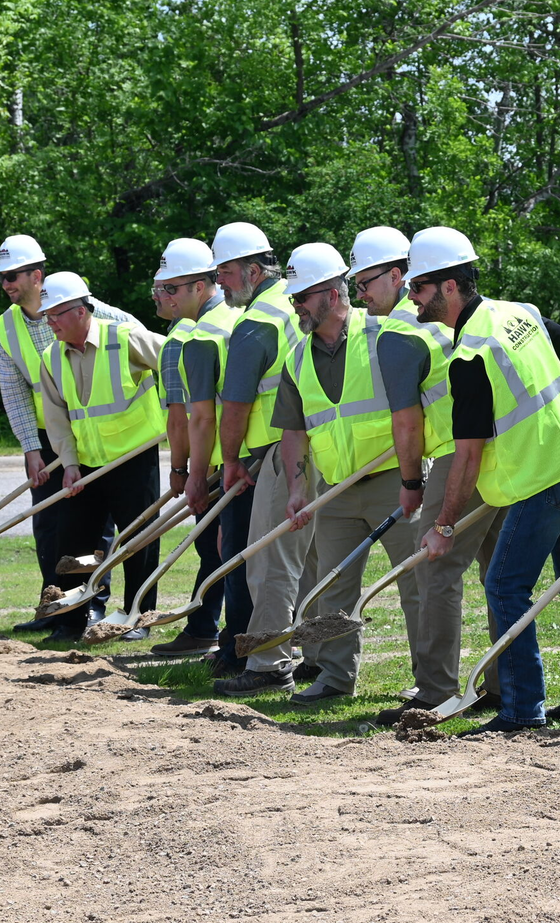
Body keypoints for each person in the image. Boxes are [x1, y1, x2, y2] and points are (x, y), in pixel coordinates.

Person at [411, 226, 560, 731]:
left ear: (450, 287)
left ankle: (523, 709)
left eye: (419, 287)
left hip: (543, 477)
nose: (412, 298)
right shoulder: (517, 311)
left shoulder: (470, 355)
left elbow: (468, 458)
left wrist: (443, 525)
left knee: (504, 585)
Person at [354, 226, 507, 720]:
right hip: (501, 454)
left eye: (366, 282)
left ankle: (434, 690)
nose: (360, 293)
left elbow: (406, 418)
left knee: (437, 568)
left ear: (400, 276)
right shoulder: (464, 311)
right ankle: (506, 684)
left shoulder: (399, 332)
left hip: (456, 457)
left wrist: (411, 483)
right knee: (499, 574)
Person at [270, 243, 433, 704]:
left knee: (416, 587)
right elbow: (295, 432)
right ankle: (336, 677)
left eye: (302, 296)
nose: (295, 305)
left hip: (397, 483)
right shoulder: (297, 358)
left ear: (330, 293)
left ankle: (430, 681)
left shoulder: (385, 336)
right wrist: (299, 488)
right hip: (336, 491)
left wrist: (411, 480)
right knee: (335, 589)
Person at [0, 234, 135, 633]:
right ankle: (55, 604)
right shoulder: (5, 328)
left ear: (37, 275)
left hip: (93, 433)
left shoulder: (94, 311)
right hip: (45, 437)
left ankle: (93, 603)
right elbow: (14, 391)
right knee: (50, 526)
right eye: (2, 277)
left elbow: (143, 347)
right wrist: (30, 447)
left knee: (93, 527)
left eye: (13, 275)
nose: (6, 284)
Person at [33, 272, 168, 643]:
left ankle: (138, 617)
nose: (50, 322)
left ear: (80, 311)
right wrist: (69, 463)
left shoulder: (123, 337)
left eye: (55, 314)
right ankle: (70, 623)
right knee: (73, 546)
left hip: (134, 460)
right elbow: (57, 417)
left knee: (138, 542)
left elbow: (177, 362)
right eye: (47, 315)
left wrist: (182, 412)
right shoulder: (51, 357)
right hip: (87, 466)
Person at [212, 225, 314, 697]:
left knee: (268, 563)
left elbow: (235, 405)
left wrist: (229, 460)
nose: (221, 282)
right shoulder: (293, 306)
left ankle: (271, 664)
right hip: (322, 446)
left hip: (278, 452)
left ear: (253, 271)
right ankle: (314, 655)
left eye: (227, 272)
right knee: (311, 561)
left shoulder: (256, 323)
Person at [152, 237, 234, 657]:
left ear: (201, 286)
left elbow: (189, 418)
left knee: (220, 550)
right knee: (222, 551)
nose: (162, 296)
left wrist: (187, 472)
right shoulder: (233, 319)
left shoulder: (193, 338)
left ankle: (215, 632)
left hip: (226, 464)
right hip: (232, 460)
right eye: (161, 288)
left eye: (171, 288)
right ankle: (212, 630)